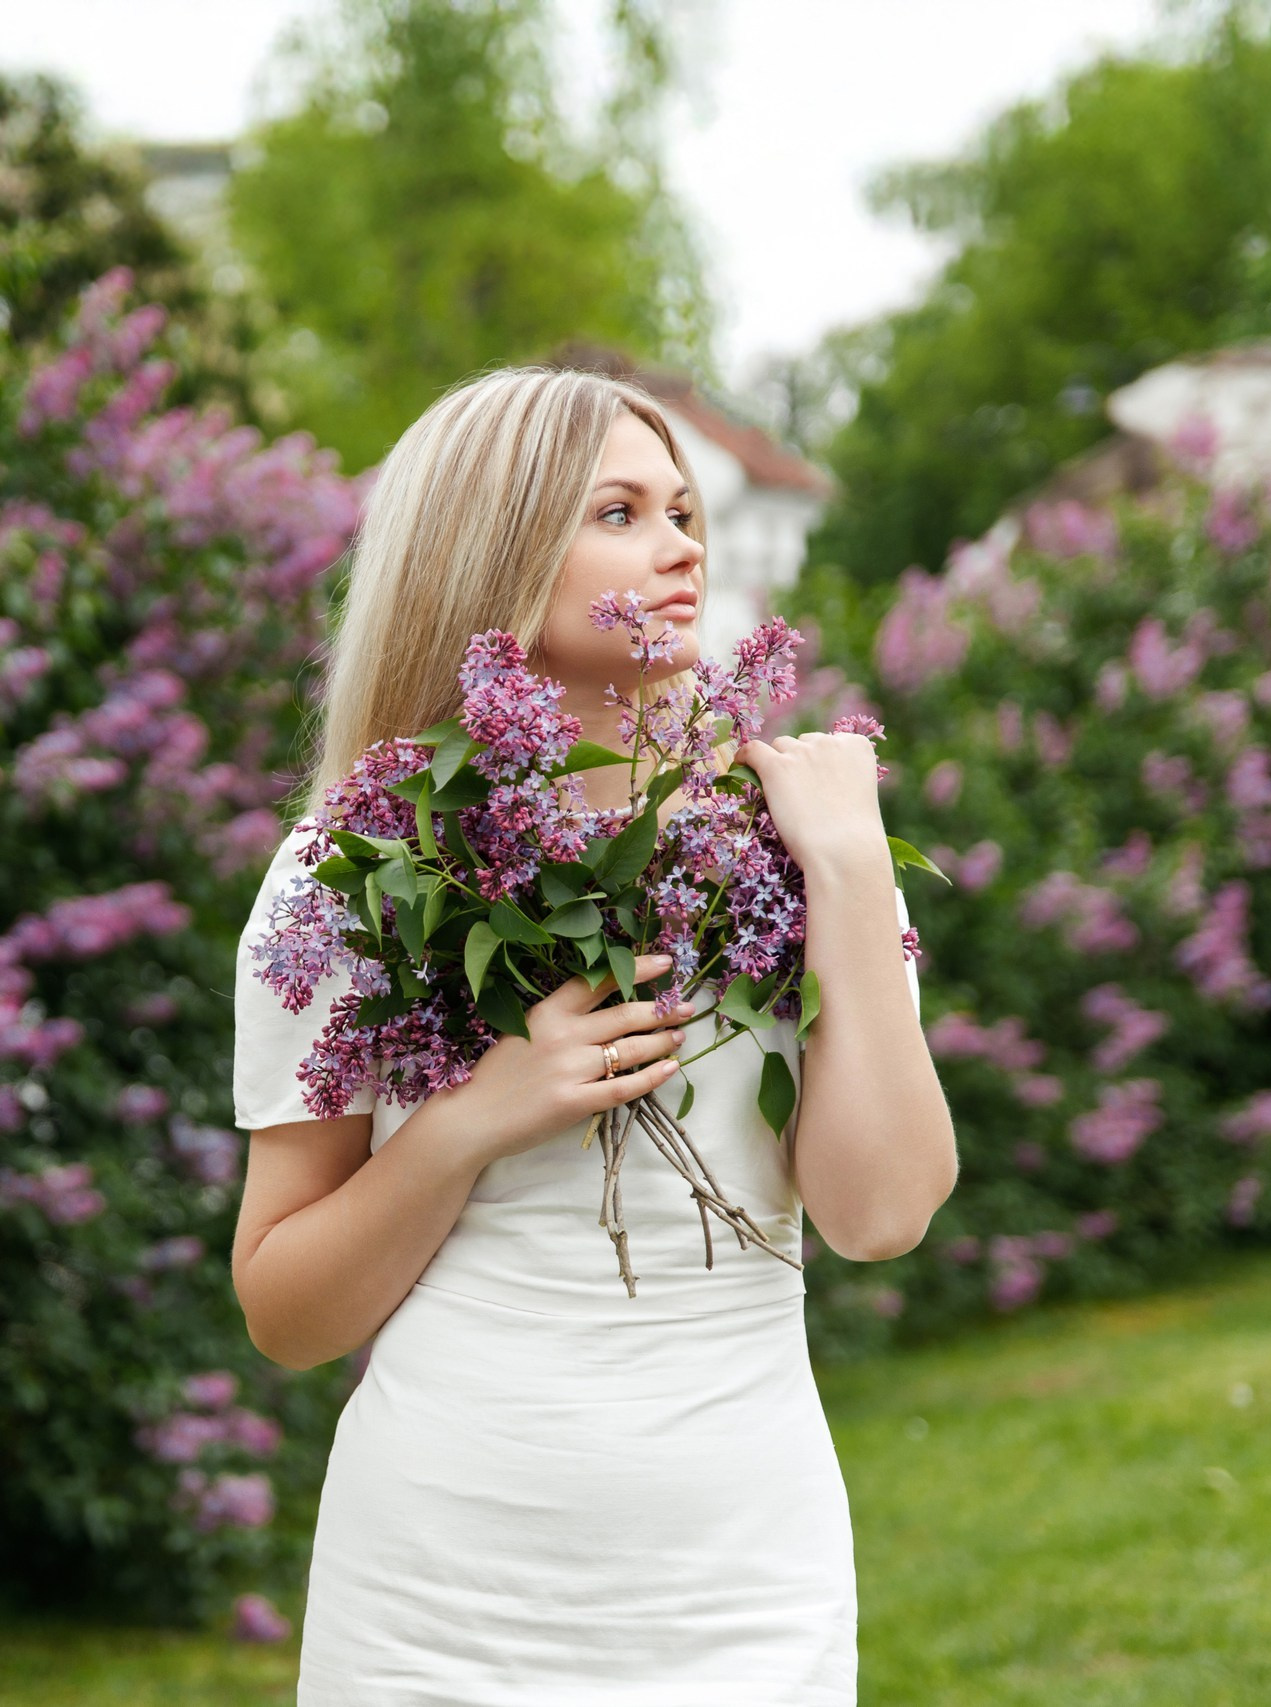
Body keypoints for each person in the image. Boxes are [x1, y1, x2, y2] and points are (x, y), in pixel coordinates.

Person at [230, 367, 958, 1704]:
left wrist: (851, 872)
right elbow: (286, 1311)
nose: (681, 545)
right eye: (619, 511)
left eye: (683, 510)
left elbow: (882, 1211)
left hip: (741, 1585)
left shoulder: (796, 850)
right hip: (436, 1603)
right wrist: (470, 1122)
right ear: (495, 552)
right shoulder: (350, 874)